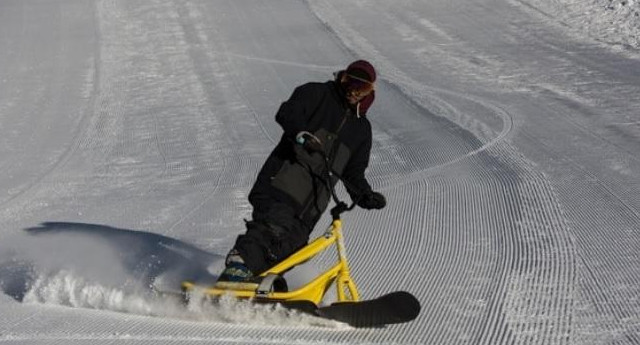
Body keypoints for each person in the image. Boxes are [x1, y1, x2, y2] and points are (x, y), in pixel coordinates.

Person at [218, 60, 387, 283]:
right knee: (273, 227)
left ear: (370, 91)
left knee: (295, 246)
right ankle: (240, 264)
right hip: (282, 182)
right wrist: (300, 133)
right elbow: (288, 112)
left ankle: (256, 281)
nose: (354, 91)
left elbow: (353, 172)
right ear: (343, 78)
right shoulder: (317, 94)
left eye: (362, 87)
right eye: (350, 82)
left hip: (313, 204)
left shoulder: (362, 130)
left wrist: (364, 194)